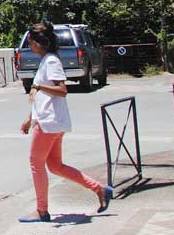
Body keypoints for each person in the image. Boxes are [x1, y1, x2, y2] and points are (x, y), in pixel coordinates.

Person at [19, 21, 113, 223]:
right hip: (51, 122)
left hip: (49, 123)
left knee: (36, 163)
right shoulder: (47, 60)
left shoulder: (51, 61)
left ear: (38, 42)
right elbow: (43, 96)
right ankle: (99, 189)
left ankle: (42, 210)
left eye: (30, 41)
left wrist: (39, 86)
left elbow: (62, 90)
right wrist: (30, 118)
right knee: (55, 166)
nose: (29, 45)